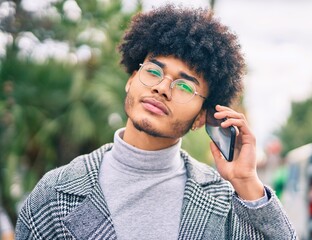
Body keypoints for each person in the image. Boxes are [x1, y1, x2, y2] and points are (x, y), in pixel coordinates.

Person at [15, 4, 296, 239]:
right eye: (152, 71)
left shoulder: (224, 203)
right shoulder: (54, 194)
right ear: (130, 80)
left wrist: (247, 181)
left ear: (201, 117)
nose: (162, 88)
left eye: (185, 87)